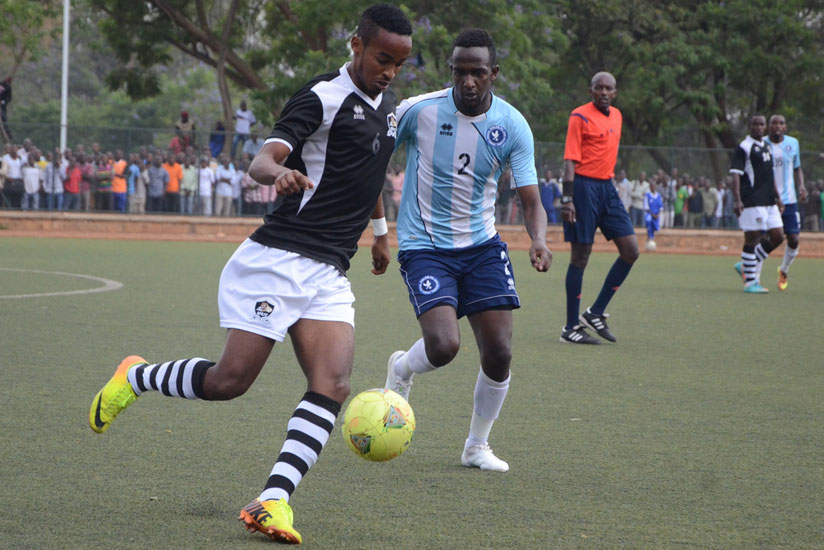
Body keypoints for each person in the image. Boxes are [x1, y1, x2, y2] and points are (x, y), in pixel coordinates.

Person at [87, 4, 413, 544]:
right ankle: (136, 376)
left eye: (400, 64)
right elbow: (261, 159)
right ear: (356, 45)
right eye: (383, 59)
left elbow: (369, 171)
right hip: (278, 260)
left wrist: (380, 231)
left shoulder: (387, 108)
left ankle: (272, 500)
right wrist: (280, 173)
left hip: (329, 271)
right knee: (229, 382)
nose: (390, 72)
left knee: (333, 384)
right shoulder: (320, 97)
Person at [384, 28, 551, 473]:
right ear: (451, 71)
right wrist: (379, 230)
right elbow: (372, 164)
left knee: (499, 352)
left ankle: (476, 446)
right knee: (443, 346)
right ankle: (402, 366)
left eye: (478, 72)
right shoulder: (416, 111)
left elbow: (532, 201)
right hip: (425, 246)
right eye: (460, 71)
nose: (469, 81)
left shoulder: (512, 125)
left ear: (493, 73)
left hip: (481, 246)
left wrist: (539, 239)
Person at [559, 71, 639, 344]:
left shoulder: (617, 116)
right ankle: (570, 327)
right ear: (591, 91)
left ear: (615, 93)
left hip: (607, 187)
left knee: (631, 250)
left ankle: (595, 312)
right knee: (581, 255)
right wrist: (567, 199)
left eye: (609, 88)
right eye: (599, 88)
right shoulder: (579, 116)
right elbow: (569, 159)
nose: (604, 92)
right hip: (582, 187)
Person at [730, 114, 783, 293]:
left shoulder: (767, 146)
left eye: (762, 124)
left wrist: (778, 197)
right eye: (755, 124)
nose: (759, 127)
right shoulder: (744, 147)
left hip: (769, 201)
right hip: (752, 200)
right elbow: (736, 175)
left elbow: (771, 175)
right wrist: (738, 200)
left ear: (765, 127)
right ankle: (750, 282)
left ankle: (745, 265)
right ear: (750, 127)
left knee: (777, 236)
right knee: (753, 238)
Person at [765, 114, 806, 290]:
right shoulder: (762, 144)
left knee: (794, 239)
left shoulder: (793, 143)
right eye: (774, 123)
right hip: (768, 199)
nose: (777, 126)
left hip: (789, 199)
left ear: (785, 127)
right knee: (772, 237)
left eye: (781, 123)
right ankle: (750, 268)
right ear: (769, 126)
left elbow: (797, 168)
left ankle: (783, 270)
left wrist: (802, 186)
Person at [643, 179, 662, 248]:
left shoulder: (659, 195)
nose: (653, 187)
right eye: (651, 186)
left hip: (657, 215)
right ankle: (649, 239)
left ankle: (651, 239)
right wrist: (652, 214)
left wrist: (657, 215)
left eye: (654, 186)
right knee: (648, 221)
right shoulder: (647, 195)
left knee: (656, 228)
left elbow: (660, 207)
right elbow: (646, 207)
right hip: (649, 214)